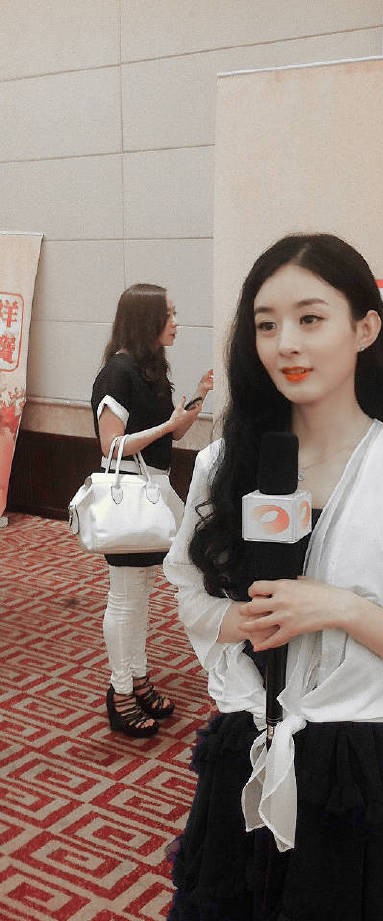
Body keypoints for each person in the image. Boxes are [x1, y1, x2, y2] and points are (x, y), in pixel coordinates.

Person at [163, 234, 383, 920]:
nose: (286, 344)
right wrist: (232, 620)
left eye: (310, 318)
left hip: (356, 769)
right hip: (244, 749)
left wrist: (339, 608)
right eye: (267, 324)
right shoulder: (223, 461)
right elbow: (186, 586)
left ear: (364, 329)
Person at [91, 283, 213, 738]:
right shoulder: (117, 373)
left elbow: (170, 435)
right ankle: (121, 690)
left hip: (153, 492)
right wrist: (168, 425)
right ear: (146, 320)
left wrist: (194, 402)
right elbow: (111, 445)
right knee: (126, 595)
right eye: (169, 313)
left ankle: (137, 678)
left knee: (139, 593)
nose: (176, 322)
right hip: (130, 496)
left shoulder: (150, 370)